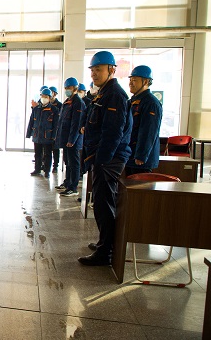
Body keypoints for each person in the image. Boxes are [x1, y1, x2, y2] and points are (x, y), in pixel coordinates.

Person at [80, 51, 132, 266]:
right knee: (101, 204)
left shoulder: (115, 95)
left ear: (111, 70)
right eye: (92, 70)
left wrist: (101, 160)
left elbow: (113, 132)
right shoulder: (103, 93)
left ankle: (106, 252)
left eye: (98, 69)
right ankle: (105, 242)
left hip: (109, 159)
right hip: (102, 157)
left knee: (104, 204)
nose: (94, 74)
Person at [124, 65, 163, 177]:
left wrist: (141, 155)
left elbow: (149, 131)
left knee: (139, 186)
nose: (131, 83)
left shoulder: (151, 103)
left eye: (134, 80)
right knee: (129, 185)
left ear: (145, 81)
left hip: (141, 159)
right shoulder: (132, 101)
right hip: (130, 154)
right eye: (130, 80)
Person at [54, 77, 85, 197]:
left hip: (73, 140)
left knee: (74, 163)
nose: (67, 90)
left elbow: (76, 123)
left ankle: (73, 187)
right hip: (66, 139)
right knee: (67, 162)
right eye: (66, 88)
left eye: (69, 88)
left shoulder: (78, 103)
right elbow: (62, 121)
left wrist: (72, 140)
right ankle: (67, 183)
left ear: (75, 88)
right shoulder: (67, 102)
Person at [26, 88, 59, 178]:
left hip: (48, 136)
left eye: (46, 97)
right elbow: (31, 122)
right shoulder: (36, 109)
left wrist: (54, 136)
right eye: (42, 96)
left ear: (49, 98)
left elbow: (56, 125)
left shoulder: (54, 110)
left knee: (48, 154)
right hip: (37, 135)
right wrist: (29, 133)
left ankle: (47, 171)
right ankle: (37, 169)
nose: (44, 98)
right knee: (37, 154)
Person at [49, 86, 62, 173]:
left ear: (55, 94)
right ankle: (46, 165)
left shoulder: (59, 105)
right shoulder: (46, 105)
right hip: (47, 130)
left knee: (55, 149)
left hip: (56, 130)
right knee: (47, 150)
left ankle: (55, 166)